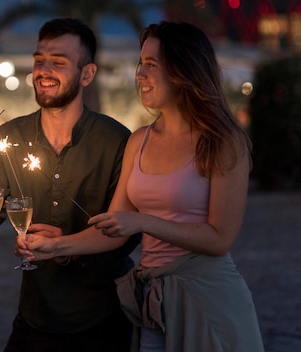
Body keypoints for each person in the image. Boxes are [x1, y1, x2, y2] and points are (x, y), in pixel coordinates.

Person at [19, 21, 264, 351]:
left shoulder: (222, 142)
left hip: (208, 302)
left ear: (183, 70)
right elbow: (117, 227)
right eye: (140, 64)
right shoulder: (139, 141)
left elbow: (220, 239)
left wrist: (144, 222)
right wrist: (58, 246)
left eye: (151, 65)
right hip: (153, 304)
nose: (139, 75)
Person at [0, 18, 140, 351]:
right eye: (39, 59)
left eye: (58, 62)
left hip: (103, 318)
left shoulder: (116, 141)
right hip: (34, 318)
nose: (43, 70)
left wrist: (66, 248)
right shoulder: (9, 138)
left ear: (87, 74)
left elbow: (128, 235)